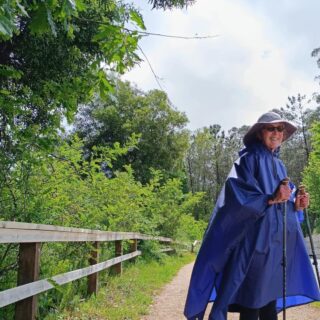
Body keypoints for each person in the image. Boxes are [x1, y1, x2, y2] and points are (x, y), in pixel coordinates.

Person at [184, 112, 320, 320]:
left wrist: (296, 206)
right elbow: (236, 197)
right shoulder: (248, 160)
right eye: (270, 128)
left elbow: (283, 206)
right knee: (252, 302)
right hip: (254, 247)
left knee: (269, 302)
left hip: (275, 248)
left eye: (280, 129)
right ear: (259, 133)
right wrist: (272, 198)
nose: (276, 133)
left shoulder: (279, 165)